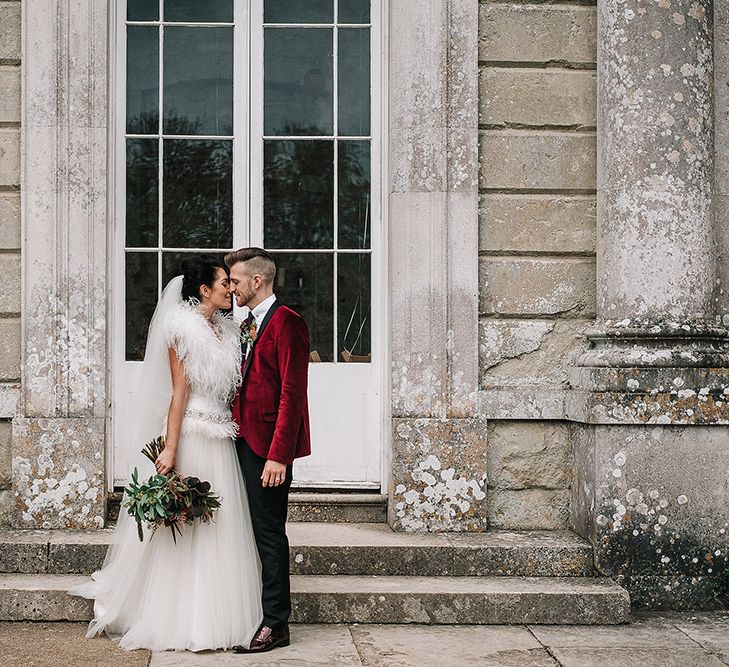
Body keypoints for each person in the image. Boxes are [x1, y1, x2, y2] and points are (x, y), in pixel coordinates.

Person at [70, 256, 263, 652]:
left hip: (222, 436)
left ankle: (218, 613)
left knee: (220, 527)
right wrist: (170, 448)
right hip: (192, 432)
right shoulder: (181, 331)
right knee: (189, 526)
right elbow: (179, 392)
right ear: (204, 290)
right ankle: (178, 616)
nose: (231, 288)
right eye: (224, 282)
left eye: (231, 282)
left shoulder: (229, 331)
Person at [225, 247, 311, 654]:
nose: (232, 287)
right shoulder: (245, 323)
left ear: (256, 281)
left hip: (267, 450)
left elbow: (293, 396)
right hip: (240, 441)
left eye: (236, 280)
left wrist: (279, 455)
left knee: (269, 534)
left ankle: (276, 624)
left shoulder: (287, 323)